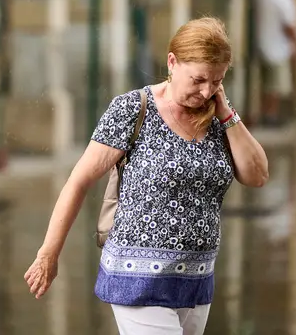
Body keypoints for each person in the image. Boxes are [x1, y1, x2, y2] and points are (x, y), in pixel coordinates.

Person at [24, 17, 269, 334]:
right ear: (172, 62)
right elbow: (79, 180)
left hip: (196, 279)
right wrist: (48, 254)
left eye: (217, 82)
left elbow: (257, 175)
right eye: (198, 79)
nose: (207, 90)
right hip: (137, 276)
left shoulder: (218, 115)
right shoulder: (132, 108)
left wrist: (227, 114)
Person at [256, 0, 296, 126]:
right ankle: (271, 115)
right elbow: (289, 24)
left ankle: (266, 114)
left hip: (262, 45)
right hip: (278, 47)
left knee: (266, 83)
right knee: (275, 84)